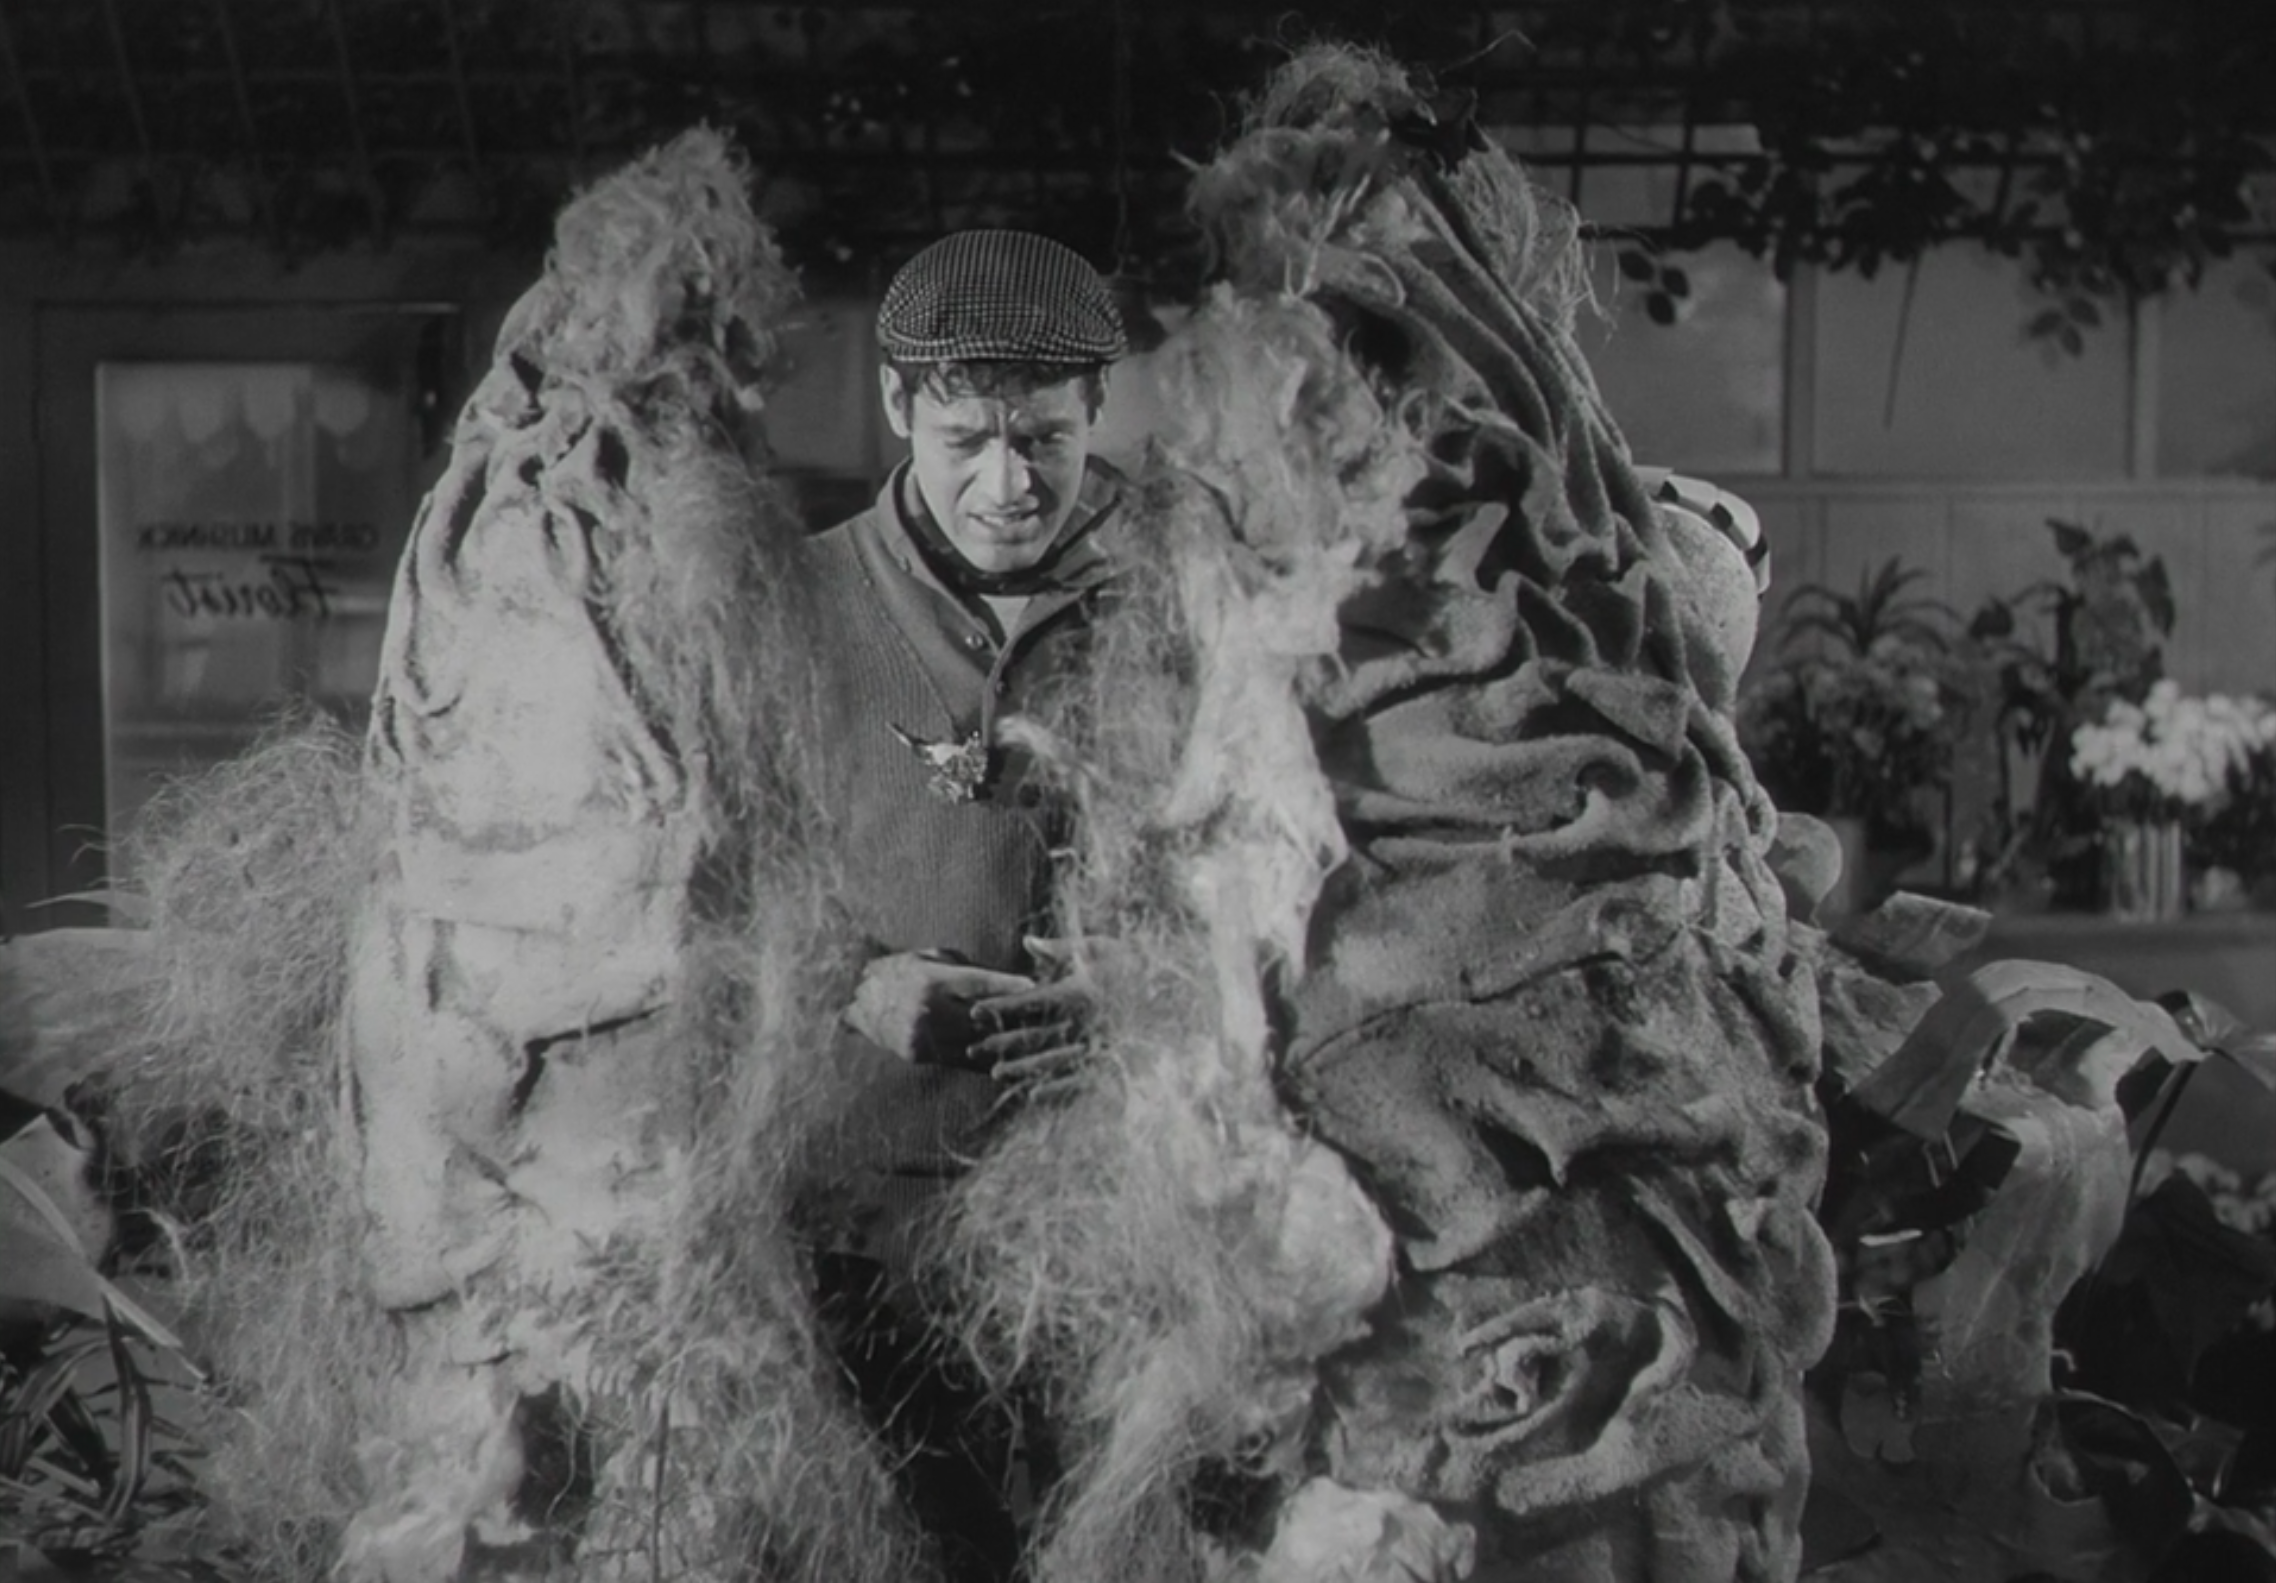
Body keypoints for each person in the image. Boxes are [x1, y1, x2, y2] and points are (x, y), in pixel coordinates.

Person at [790, 227, 1128, 1581]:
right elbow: (694, 881)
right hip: (848, 1232)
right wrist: (853, 981)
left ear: (1097, 405)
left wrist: (1140, 1003)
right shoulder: (794, 608)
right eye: (966, 438)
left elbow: (1268, 885)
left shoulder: (1180, 610)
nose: (1008, 483)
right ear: (895, 403)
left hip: (1112, 1237)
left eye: (1045, 438)